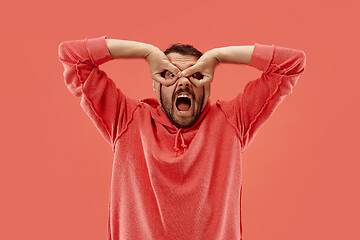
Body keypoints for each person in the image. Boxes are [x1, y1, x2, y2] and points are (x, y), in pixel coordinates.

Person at [58, 36, 306, 240]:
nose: (184, 81)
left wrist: (218, 56)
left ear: (208, 86)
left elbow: (291, 64)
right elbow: (72, 56)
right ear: (156, 85)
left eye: (196, 75)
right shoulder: (127, 120)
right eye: (170, 75)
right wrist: (146, 52)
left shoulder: (231, 121)